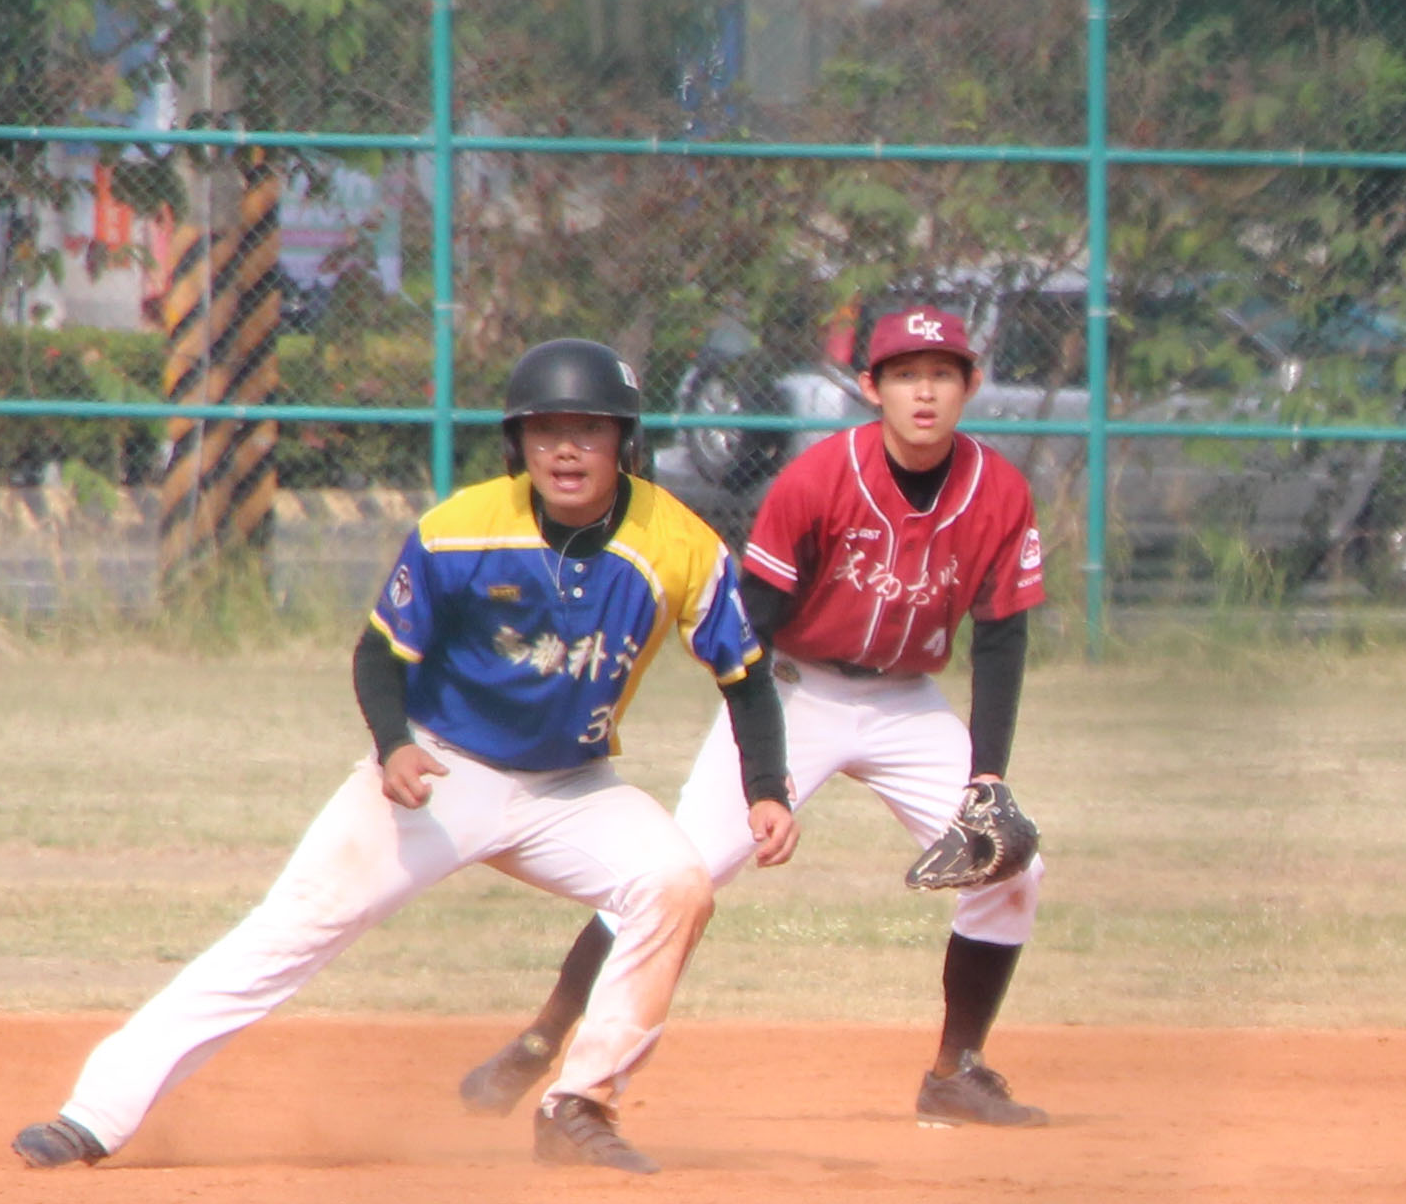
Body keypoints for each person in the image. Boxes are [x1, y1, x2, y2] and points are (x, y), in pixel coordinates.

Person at [8, 339, 794, 1177]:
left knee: (676, 883)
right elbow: (379, 654)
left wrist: (767, 789)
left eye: (589, 430)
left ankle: (579, 1106)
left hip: (572, 788)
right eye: (545, 429)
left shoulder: (679, 544)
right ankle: (94, 1112)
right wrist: (394, 747)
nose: (566, 449)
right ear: (518, 443)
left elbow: (746, 679)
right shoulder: (460, 532)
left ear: (624, 444)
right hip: (442, 773)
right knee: (291, 929)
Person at [453, 302, 1057, 1129]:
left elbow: (1001, 640)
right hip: (798, 688)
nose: (925, 393)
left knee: (1011, 868)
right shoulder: (817, 481)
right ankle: (542, 1039)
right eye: (906, 375)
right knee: (675, 872)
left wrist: (987, 774)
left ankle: (956, 1069)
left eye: (943, 375)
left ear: (971, 386)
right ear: (868, 386)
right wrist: (762, 762)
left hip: (909, 701)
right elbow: (753, 626)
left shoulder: (1000, 492)